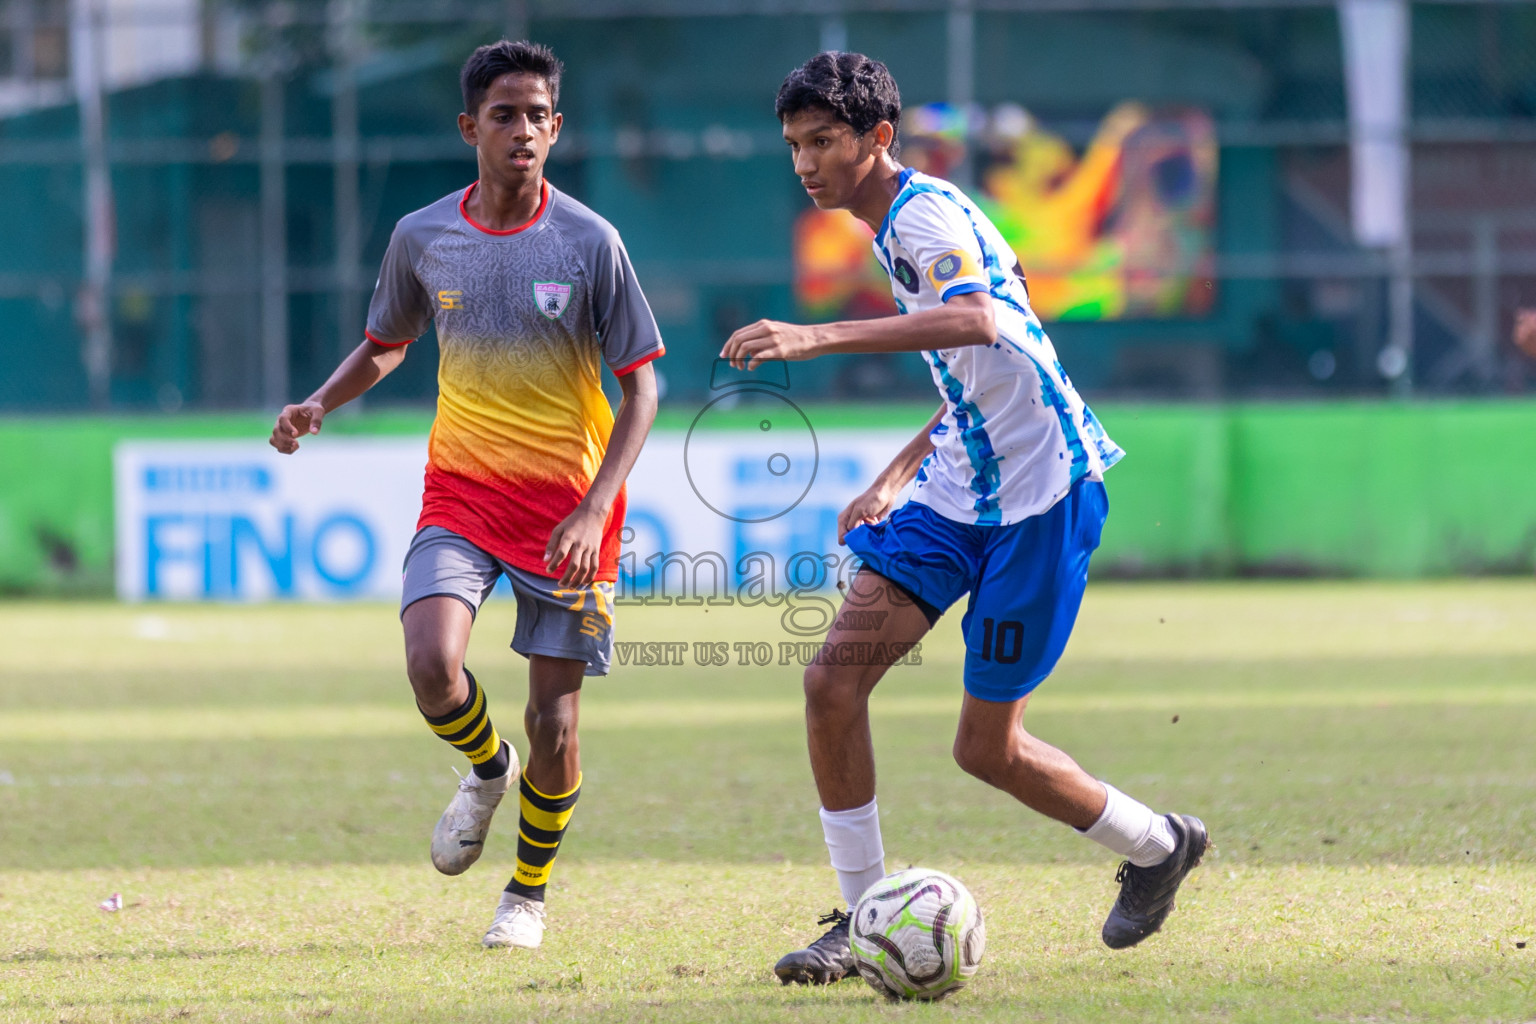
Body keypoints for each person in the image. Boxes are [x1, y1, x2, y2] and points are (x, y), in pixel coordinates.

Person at [720, 52, 1208, 985]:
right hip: (954, 492)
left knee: (986, 751)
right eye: (794, 145)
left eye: (823, 141)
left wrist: (815, 334)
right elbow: (1001, 335)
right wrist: (902, 469)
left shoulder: (927, 214)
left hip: (1043, 497)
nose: (806, 162)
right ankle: (860, 916)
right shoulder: (899, 223)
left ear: (878, 139)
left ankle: (1157, 847)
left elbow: (982, 320)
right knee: (832, 685)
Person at [268, 40, 663, 950]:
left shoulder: (591, 241)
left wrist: (599, 505)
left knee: (556, 723)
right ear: (469, 127)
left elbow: (643, 383)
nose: (521, 130)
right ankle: (487, 772)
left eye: (537, 115)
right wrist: (319, 403)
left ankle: (525, 896)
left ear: (556, 129)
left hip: (569, 514)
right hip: (462, 494)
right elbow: (386, 341)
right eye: (503, 114)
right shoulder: (422, 236)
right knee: (430, 664)